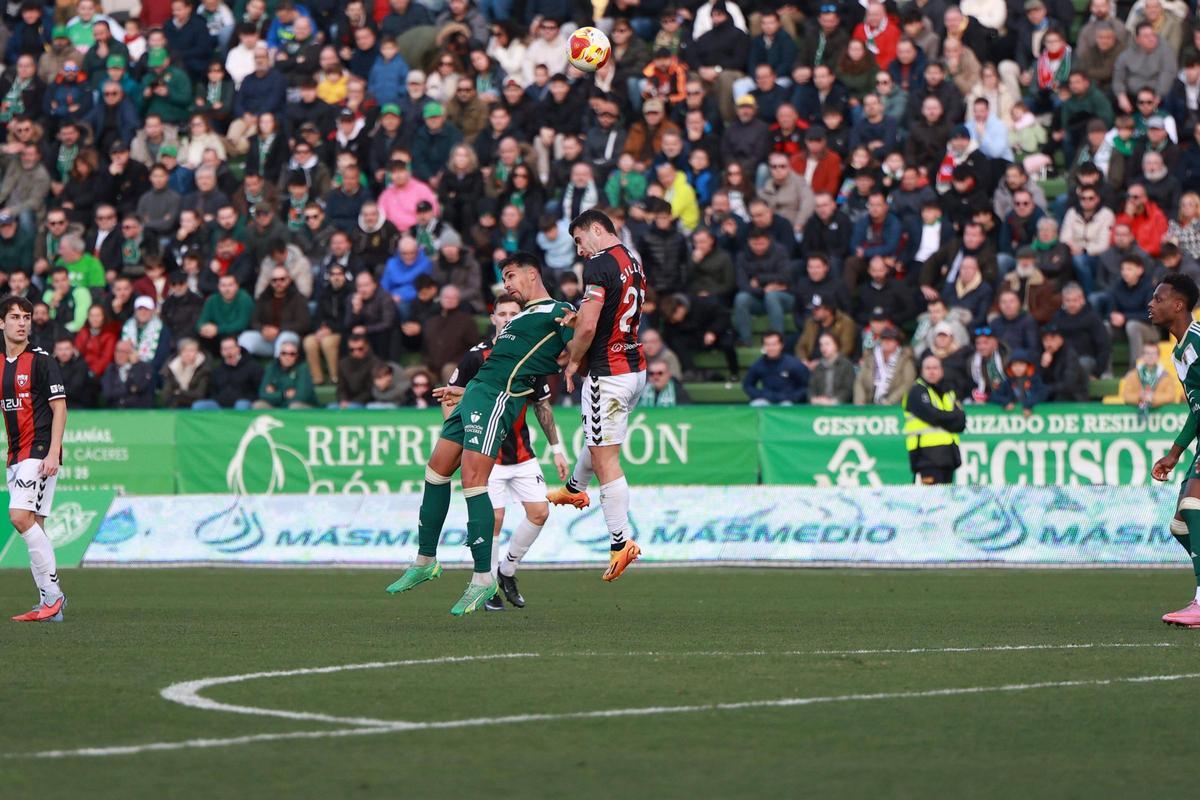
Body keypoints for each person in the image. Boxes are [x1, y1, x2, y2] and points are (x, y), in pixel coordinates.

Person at [385, 253, 575, 616]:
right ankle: (426, 560)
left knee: (474, 481)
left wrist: (575, 361)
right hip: (475, 393)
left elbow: (582, 333)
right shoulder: (519, 320)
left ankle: (483, 579)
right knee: (436, 470)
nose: (506, 284)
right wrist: (460, 392)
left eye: (510, 276)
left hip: (497, 400)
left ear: (532, 274)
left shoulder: (556, 310)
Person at [433, 294, 570, 611]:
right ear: (492, 318)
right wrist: (466, 436)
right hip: (487, 457)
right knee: (493, 518)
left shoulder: (532, 355)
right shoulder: (475, 357)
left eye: (514, 313)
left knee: (540, 513)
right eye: (502, 313)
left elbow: (542, 406)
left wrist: (558, 450)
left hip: (522, 454)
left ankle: (507, 571)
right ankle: (488, 584)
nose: (508, 318)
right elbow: (448, 398)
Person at [547, 210, 648, 584]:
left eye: (578, 239)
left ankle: (621, 543)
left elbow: (589, 324)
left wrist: (573, 361)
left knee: (606, 457)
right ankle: (575, 489)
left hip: (608, 373)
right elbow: (611, 314)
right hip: (635, 368)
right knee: (597, 438)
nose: (579, 248)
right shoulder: (632, 263)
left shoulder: (599, 265)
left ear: (596, 229)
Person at [0, 296, 68, 622]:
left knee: (18, 516)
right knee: (34, 525)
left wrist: (54, 451)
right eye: (14, 317)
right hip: (16, 454)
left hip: (40, 449)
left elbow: (60, 407)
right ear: (2, 323)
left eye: (26, 316)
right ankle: (48, 605)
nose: (22, 322)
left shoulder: (41, 360)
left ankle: (54, 596)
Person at [1149, 272, 1200, 626]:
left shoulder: (1197, 341)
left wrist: (1176, 452)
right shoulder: (1180, 350)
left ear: (1178, 305)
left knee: (1193, 505)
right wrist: (1175, 452)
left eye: (1158, 299)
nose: (1151, 305)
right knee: (1181, 526)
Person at [903, 353, 966, 484]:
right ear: (921, 370)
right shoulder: (916, 391)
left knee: (945, 501)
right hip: (926, 456)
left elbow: (961, 422)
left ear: (942, 370)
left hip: (948, 456)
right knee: (930, 501)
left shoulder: (948, 391)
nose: (932, 372)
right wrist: (951, 417)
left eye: (935, 368)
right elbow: (932, 416)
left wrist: (946, 417)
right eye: (928, 368)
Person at [194, 336, 262, 409]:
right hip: (220, 404)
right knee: (199, 406)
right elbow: (212, 391)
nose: (228, 352)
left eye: (231, 348)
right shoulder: (217, 370)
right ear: (221, 352)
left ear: (238, 349)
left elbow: (258, 390)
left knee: (241, 405)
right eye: (225, 349)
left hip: (244, 403)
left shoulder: (253, 367)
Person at [743, 330, 809, 406]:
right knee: (755, 405)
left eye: (774, 344)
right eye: (767, 345)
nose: (771, 348)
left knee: (787, 406)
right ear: (763, 346)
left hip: (788, 401)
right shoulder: (759, 364)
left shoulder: (793, 364)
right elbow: (748, 385)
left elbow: (805, 386)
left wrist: (792, 397)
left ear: (781, 345)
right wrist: (760, 395)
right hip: (766, 400)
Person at [854, 324, 915, 405]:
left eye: (890, 339)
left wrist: (890, 401)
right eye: (884, 338)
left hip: (895, 405)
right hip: (868, 403)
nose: (886, 342)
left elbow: (907, 383)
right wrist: (860, 400)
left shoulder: (905, 359)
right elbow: (859, 380)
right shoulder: (870, 357)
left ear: (897, 342)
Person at [253, 341, 317, 409]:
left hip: (304, 407)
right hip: (277, 406)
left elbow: (301, 396)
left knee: (294, 406)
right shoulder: (272, 367)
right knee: (258, 405)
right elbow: (262, 394)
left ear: (297, 356)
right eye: (284, 353)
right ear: (279, 355)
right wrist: (283, 394)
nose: (287, 357)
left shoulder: (303, 368)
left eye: (292, 354)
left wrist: (274, 393)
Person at [1123, 342, 1176, 411]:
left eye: (1154, 353)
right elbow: (1126, 396)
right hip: (1137, 414)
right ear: (1142, 356)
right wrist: (1139, 396)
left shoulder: (1166, 376)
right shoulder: (1133, 375)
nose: (1151, 356)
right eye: (1147, 353)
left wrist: (1152, 398)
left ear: (1158, 356)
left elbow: (1171, 396)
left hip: (1160, 414)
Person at [161, 336, 211, 408]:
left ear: (197, 352)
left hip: (196, 405)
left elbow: (200, 394)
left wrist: (179, 393)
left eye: (191, 351)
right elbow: (166, 394)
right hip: (176, 405)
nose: (188, 354)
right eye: (184, 351)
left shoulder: (204, 369)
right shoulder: (171, 367)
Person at [808, 332, 856, 405]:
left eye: (827, 344)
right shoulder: (818, 367)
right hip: (819, 406)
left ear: (836, 345)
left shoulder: (846, 365)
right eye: (821, 345)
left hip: (841, 408)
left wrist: (834, 401)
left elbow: (848, 390)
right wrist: (814, 399)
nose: (823, 348)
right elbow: (811, 388)